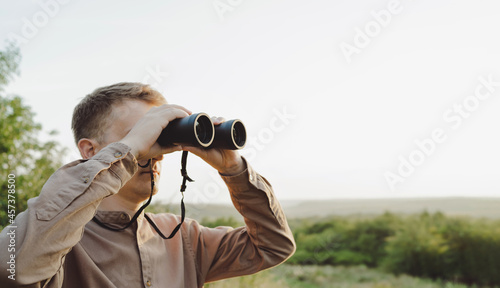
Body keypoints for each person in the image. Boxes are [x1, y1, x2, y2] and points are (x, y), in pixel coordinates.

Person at [0, 82, 295, 288]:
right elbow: (13, 269)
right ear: (91, 151)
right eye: (144, 134)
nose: (155, 151)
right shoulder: (57, 240)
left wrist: (235, 170)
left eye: (163, 136)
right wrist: (128, 151)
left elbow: (274, 246)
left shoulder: (184, 238)